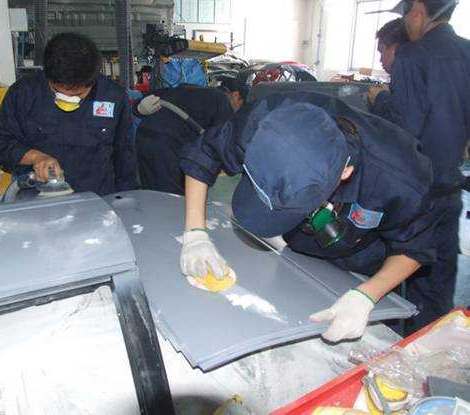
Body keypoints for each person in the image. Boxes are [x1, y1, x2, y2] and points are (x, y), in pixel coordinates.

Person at [179, 91, 444, 343]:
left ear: (345, 173)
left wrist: (365, 296)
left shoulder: (400, 179)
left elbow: (415, 247)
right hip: (298, 251)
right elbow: (205, 153)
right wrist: (195, 234)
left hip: (362, 262)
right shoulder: (267, 122)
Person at [368, 0, 470, 332]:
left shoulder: (413, 55)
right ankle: (435, 344)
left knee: (407, 276)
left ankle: (401, 345)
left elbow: (405, 130)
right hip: (451, 187)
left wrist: (380, 100)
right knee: (441, 280)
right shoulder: (466, 51)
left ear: (418, 10)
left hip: (418, 193)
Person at [0, 32, 137, 196]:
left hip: (96, 199)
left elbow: (125, 156)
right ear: (48, 76)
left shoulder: (113, 96)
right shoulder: (24, 94)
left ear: (92, 80)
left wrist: (125, 200)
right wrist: (35, 157)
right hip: (38, 199)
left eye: (78, 94)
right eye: (60, 92)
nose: (69, 99)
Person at [135, 84, 239, 195]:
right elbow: (225, 145)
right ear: (236, 96)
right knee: (172, 197)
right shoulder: (222, 100)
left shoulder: (183, 88)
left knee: (149, 192)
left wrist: (139, 109)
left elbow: (138, 106)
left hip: (143, 135)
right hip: (167, 144)